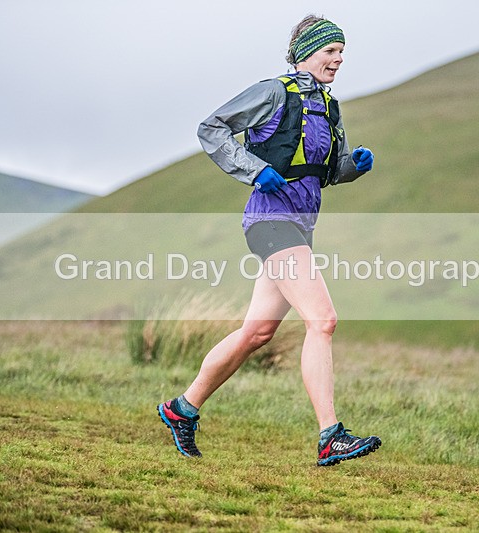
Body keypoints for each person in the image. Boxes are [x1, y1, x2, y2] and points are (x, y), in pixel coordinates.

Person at [157, 14, 380, 467]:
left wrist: (352, 165)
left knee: (257, 332)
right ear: (306, 52)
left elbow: (324, 171)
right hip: (269, 221)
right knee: (323, 320)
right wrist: (255, 170)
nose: (338, 60)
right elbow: (212, 128)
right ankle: (330, 435)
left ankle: (182, 409)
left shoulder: (328, 107)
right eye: (330, 51)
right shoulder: (273, 91)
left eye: (342, 53)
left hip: (300, 226)